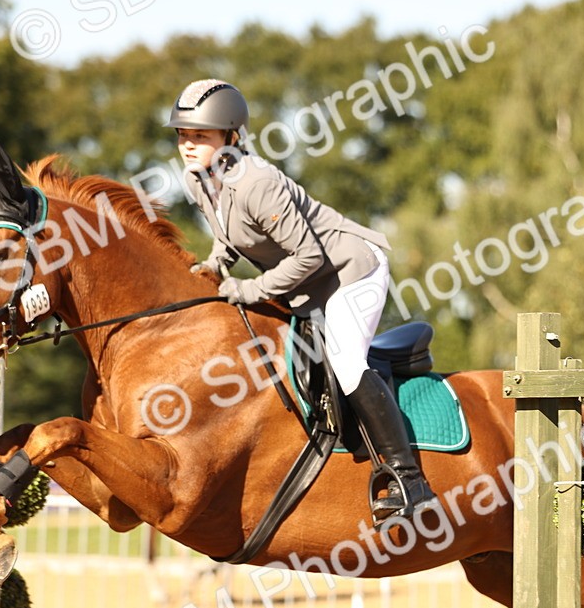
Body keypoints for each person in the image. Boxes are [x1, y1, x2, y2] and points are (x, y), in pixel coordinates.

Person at [165, 79, 437, 522]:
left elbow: (308, 255)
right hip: (304, 284)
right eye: (182, 135)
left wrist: (247, 289)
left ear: (231, 136)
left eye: (200, 135)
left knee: (345, 362)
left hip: (351, 271)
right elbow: (228, 234)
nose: (187, 145)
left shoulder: (256, 182)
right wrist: (215, 264)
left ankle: (408, 478)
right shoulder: (197, 179)